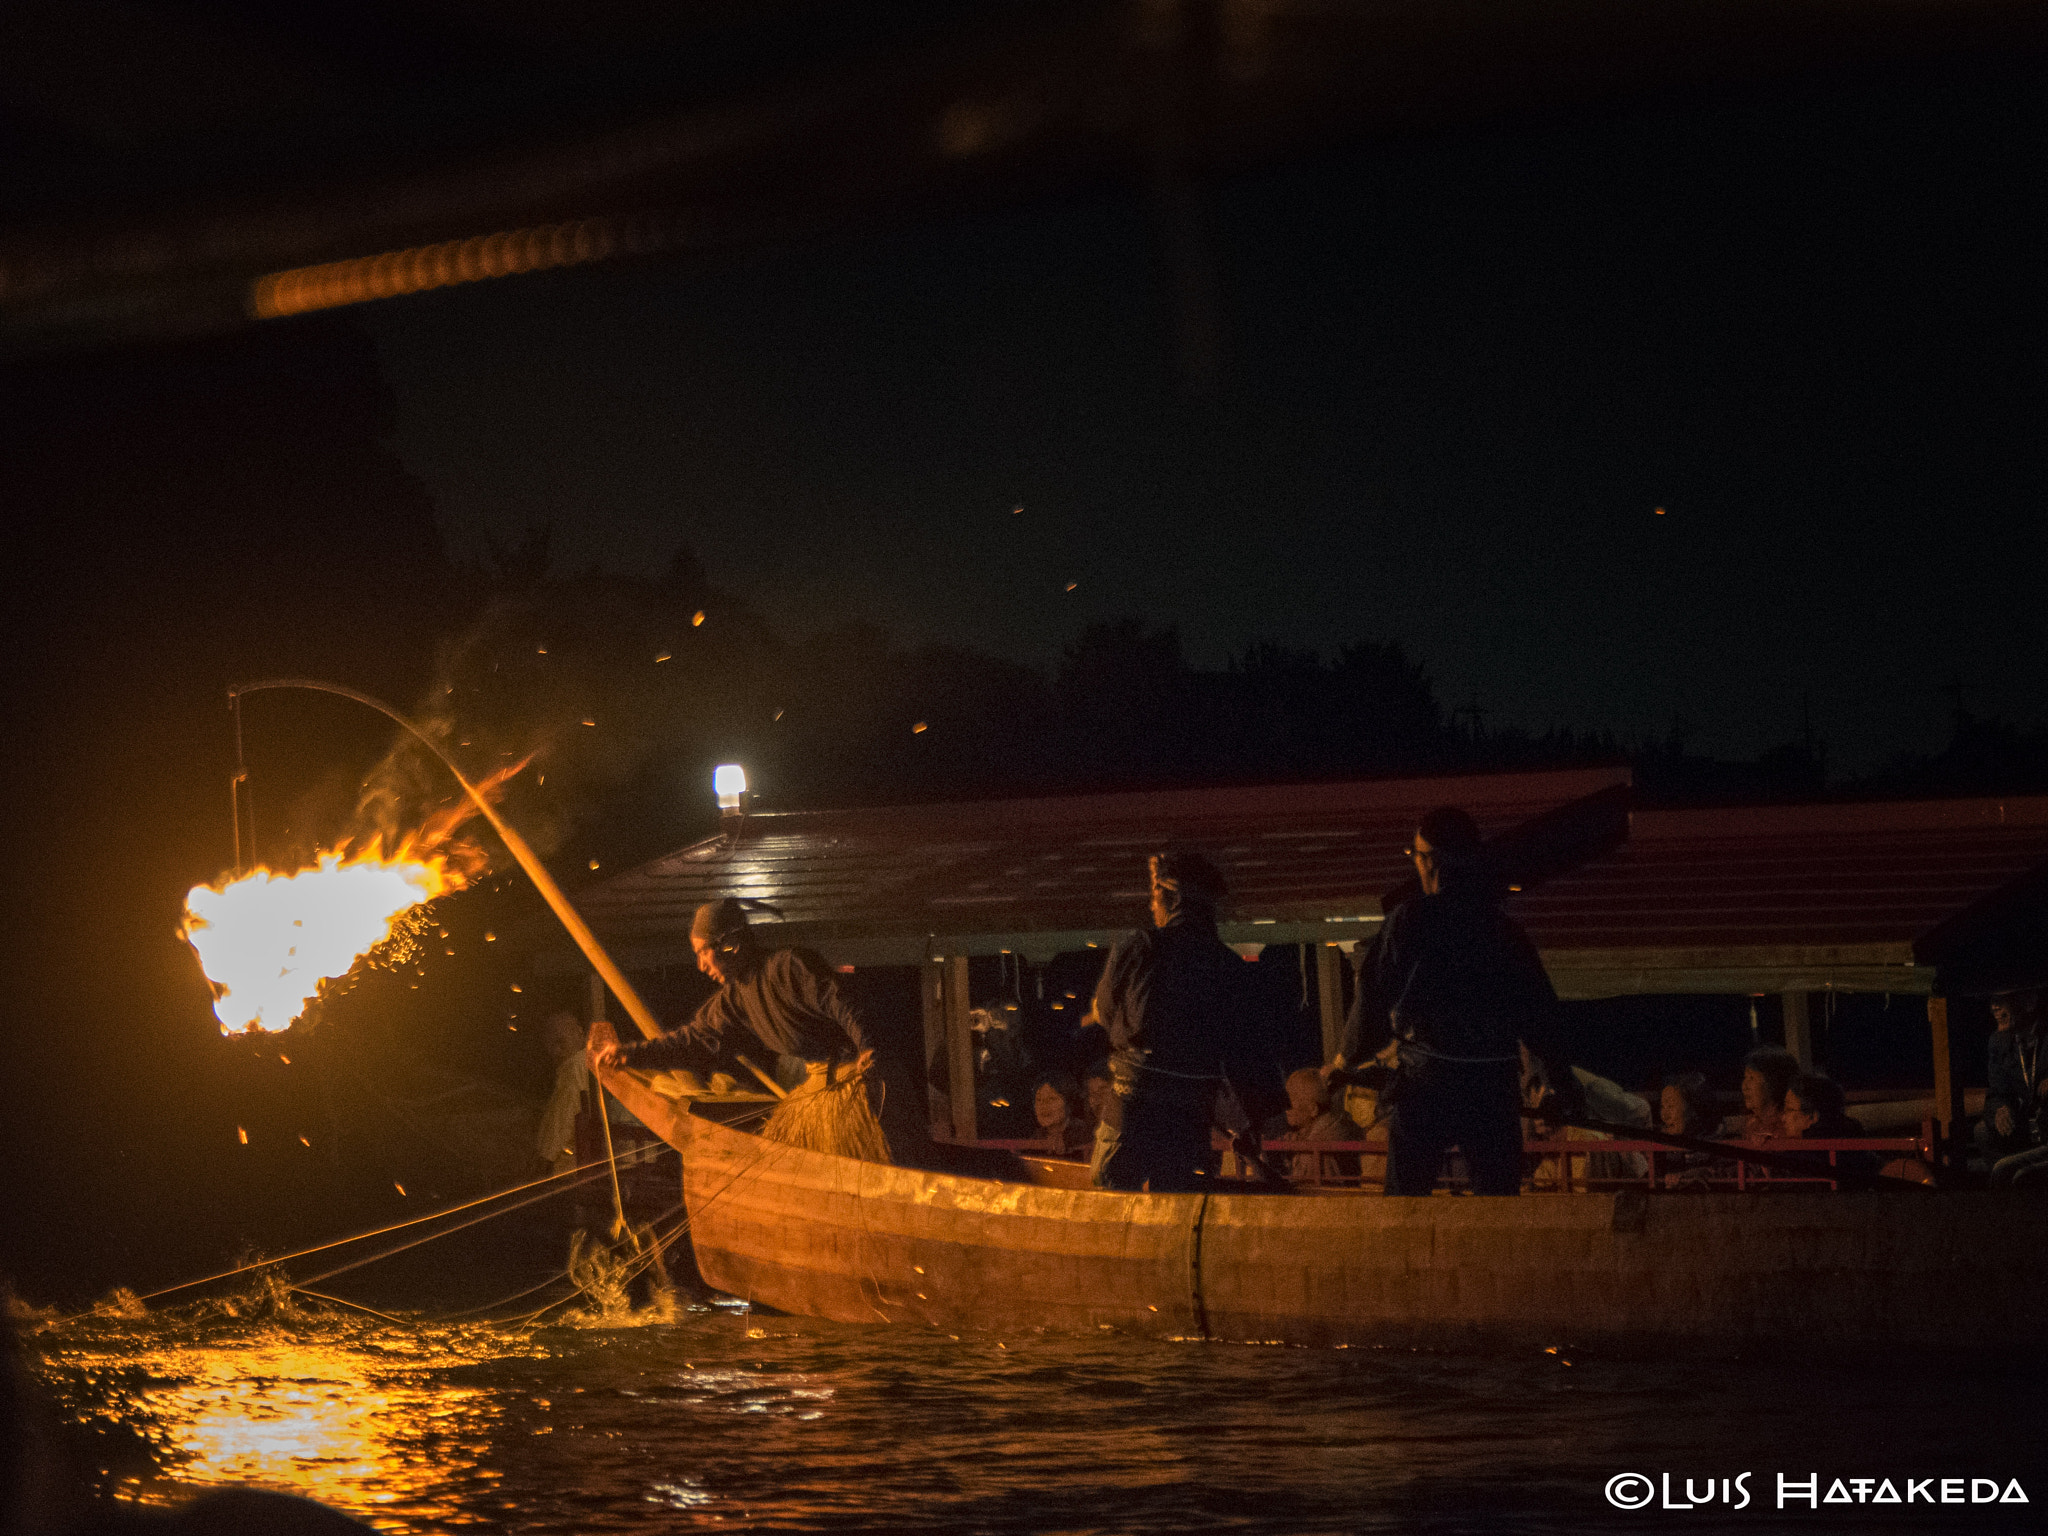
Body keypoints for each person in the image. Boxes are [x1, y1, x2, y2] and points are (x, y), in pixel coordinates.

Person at [1330, 807, 1584, 1197]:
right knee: (1497, 1200)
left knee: (1405, 1201)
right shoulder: (1503, 930)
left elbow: (1373, 992)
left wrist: (1344, 1061)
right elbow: (1540, 1013)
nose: (1414, 863)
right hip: (1491, 1083)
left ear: (1431, 860)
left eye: (1414, 854)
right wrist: (1564, 1083)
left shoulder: (1410, 920)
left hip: (1427, 1080)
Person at [1091, 848, 1285, 1192]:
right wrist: (1255, 1119)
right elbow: (1246, 1052)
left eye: (1154, 894)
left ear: (1168, 895)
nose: (1151, 905)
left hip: (1133, 1105)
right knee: (1176, 1199)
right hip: (1190, 1114)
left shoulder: (1142, 946)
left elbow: (1106, 1011)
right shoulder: (1230, 968)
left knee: (1110, 1189)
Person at [593, 898, 869, 1090]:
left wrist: (868, 1048)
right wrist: (631, 1054)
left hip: (859, 1078)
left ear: (728, 945)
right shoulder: (734, 1001)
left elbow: (842, 1002)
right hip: (820, 1083)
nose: (701, 966)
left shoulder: (789, 967)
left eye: (703, 952)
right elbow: (693, 1041)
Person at [1979, 990, 2046, 1167]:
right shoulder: (1999, 1041)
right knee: (1983, 1132)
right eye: (1993, 1000)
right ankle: (2009, 1190)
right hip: (2026, 1123)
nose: (1994, 1007)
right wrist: (2000, 1109)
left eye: (2002, 999)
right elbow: (1996, 1093)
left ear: (2028, 1002)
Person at [1781, 1073, 1878, 1184]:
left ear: (1812, 1116)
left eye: (1789, 1110)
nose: (1783, 1117)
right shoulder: (1855, 1143)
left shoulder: (1804, 1157)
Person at [1271, 1067, 1362, 1183]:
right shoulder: (1323, 1130)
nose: (1286, 1109)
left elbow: (1304, 1194)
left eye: (1291, 1101)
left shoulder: (1311, 1154)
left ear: (1313, 1109)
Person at [1724, 1046, 1800, 1142]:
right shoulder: (1753, 1123)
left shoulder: (1788, 1127)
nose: (1745, 1086)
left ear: (1774, 1083)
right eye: (1745, 1077)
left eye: (1752, 1078)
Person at [1031, 1073, 1091, 1157]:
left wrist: (1068, 1141)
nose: (1043, 1105)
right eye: (1039, 1099)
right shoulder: (1035, 1138)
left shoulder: (1085, 1134)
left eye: (1052, 1098)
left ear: (1069, 1103)